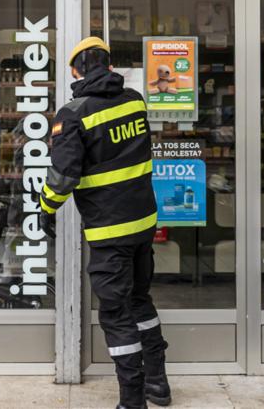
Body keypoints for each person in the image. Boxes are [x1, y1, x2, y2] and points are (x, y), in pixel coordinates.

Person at [39, 37, 172, 409]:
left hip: (108, 231)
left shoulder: (73, 114)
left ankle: (132, 400)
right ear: (109, 66)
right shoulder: (135, 101)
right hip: (143, 222)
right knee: (140, 300)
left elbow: (64, 177)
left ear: (75, 70)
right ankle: (158, 384)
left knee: (115, 313)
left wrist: (45, 209)